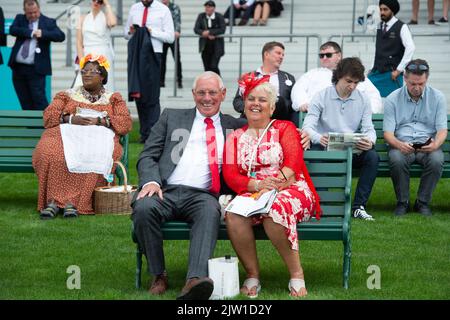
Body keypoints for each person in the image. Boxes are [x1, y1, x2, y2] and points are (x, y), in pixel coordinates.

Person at [132, 71, 245, 300]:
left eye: (212, 92)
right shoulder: (171, 117)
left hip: (203, 195)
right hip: (165, 190)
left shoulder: (235, 126)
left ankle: (194, 280)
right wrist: (152, 182)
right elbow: (147, 156)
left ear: (222, 94)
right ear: (193, 94)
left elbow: (269, 125)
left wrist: (302, 133)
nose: (206, 98)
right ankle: (158, 274)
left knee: (208, 212)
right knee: (144, 208)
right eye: (201, 92)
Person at [223, 73, 321, 298]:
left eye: (262, 100)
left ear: (272, 107)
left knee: (274, 209)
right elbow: (230, 174)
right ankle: (252, 275)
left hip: (290, 189)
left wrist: (273, 185)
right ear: (244, 104)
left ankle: (296, 274)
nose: (255, 104)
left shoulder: (285, 128)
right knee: (233, 214)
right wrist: (257, 184)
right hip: (254, 190)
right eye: (251, 99)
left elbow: (293, 163)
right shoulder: (234, 137)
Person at [32, 54, 132, 219]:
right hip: (67, 134)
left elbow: (125, 123)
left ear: (103, 76)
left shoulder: (114, 99)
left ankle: (75, 203)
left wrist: (100, 120)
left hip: (99, 138)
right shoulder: (67, 95)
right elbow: (49, 116)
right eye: (84, 71)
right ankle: (53, 202)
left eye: (93, 71)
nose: (86, 74)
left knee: (98, 153)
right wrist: (71, 118)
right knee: (50, 152)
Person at [302, 57, 379, 221]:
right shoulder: (321, 96)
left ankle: (358, 207)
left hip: (350, 150)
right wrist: (318, 137)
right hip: (324, 148)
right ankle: (319, 205)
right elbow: (307, 126)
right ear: (338, 77)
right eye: (349, 81)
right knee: (315, 154)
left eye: (356, 83)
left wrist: (370, 141)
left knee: (372, 156)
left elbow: (369, 128)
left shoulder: (363, 98)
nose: (352, 86)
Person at [383, 59, 447, 216]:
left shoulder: (438, 97)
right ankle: (402, 202)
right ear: (404, 78)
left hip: (428, 145)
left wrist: (436, 144)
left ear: (427, 79)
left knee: (437, 160)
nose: (417, 88)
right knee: (396, 159)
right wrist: (398, 145)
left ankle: (422, 202)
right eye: (413, 84)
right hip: (402, 144)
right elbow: (388, 134)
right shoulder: (392, 98)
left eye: (421, 84)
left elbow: (442, 130)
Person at [124, 0, 174, 144]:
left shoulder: (163, 10)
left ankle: (153, 133)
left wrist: (151, 32)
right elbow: (126, 34)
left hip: (153, 55)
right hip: (136, 54)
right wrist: (132, 31)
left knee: (152, 95)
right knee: (138, 93)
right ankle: (144, 132)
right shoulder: (134, 8)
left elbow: (170, 37)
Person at [291, 41, 383, 114]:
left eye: (328, 55)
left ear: (339, 56)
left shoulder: (354, 73)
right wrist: (302, 103)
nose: (324, 58)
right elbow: (298, 89)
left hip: (350, 118)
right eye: (321, 55)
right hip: (318, 116)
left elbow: (373, 95)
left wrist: (369, 111)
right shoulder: (312, 74)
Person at [8, 0, 65, 110]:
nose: (33, 15)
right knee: (24, 100)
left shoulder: (48, 22)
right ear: (25, 11)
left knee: (39, 99)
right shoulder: (20, 19)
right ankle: (30, 126)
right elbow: (13, 30)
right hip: (18, 68)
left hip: (36, 69)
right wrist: (31, 32)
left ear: (39, 9)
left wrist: (43, 33)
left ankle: (45, 124)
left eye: (35, 12)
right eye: (30, 13)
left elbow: (60, 36)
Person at [233, 41, 298, 126]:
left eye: (283, 55)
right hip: (251, 122)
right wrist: (251, 108)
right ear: (266, 54)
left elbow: (292, 103)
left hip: (278, 122)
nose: (281, 57)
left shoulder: (289, 78)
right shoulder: (249, 77)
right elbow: (237, 102)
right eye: (278, 53)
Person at [368, 0, 415, 98]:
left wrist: (399, 70)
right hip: (376, 73)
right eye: (380, 9)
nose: (382, 12)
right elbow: (378, 49)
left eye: (385, 9)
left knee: (391, 105)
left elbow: (410, 48)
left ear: (392, 10)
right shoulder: (379, 26)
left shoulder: (402, 27)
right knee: (372, 101)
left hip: (392, 75)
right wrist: (371, 67)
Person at [75, 0, 117, 92]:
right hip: (87, 54)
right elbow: (79, 41)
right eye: (94, 0)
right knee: (82, 84)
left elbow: (113, 23)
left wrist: (107, 4)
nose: (96, 2)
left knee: (104, 84)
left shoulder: (106, 17)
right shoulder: (82, 18)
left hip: (103, 54)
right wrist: (82, 61)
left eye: (100, 1)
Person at [194, 1, 226, 76]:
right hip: (205, 46)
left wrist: (210, 32)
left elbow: (222, 29)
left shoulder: (219, 16)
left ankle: (218, 81)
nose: (207, 8)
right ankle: (209, 84)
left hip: (216, 46)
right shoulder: (201, 16)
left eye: (209, 7)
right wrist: (203, 33)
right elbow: (196, 29)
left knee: (213, 66)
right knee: (207, 67)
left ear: (213, 8)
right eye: (206, 7)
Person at [160, 0, 183, 89]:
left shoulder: (174, 7)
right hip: (162, 36)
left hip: (173, 36)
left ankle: (179, 80)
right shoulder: (158, 7)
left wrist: (177, 31)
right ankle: (161, 81)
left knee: (177, 59)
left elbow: (177, 20)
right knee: (162, 60)